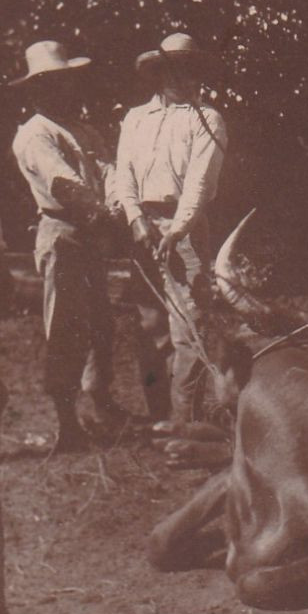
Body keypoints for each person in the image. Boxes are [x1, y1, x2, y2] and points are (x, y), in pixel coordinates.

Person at [9, 40, 120, 453]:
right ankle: (67, 423)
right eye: (53, 83)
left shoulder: (81, 128)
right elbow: (62, 183)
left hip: (91, 233)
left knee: (101, 325)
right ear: (37, 88)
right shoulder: (35, 133)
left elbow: (108, 169)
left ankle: (102, 404)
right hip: (64, 232)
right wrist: (100, 212)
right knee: (65, 328)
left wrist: (116, 202)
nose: (63, 90)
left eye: (66, 82)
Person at [116, 33, 228, 425]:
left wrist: (177, 230)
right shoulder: (135, 119)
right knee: (150, 328)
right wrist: (135, 220)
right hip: (143, 228)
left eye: (189, 69)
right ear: (159, 72)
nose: (182, 77)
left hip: (186, 231)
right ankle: (158, 417)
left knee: (189, 328)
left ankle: (186, 422)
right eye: (173, 68)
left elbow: (199, 183)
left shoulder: (207, 120)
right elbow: (124, 175)